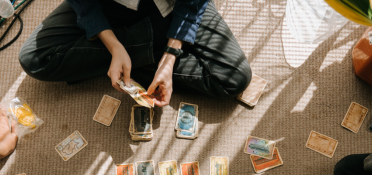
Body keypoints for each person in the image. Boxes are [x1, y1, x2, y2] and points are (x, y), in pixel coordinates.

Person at [18, 0, 252, 106]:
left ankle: (137, 55)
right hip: (108, 7)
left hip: (175, 7)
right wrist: (113, 46)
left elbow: (192, 4)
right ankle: (136, 52)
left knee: (234, 78)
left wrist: (170, 56)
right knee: (36, 59)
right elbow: (84, 5)